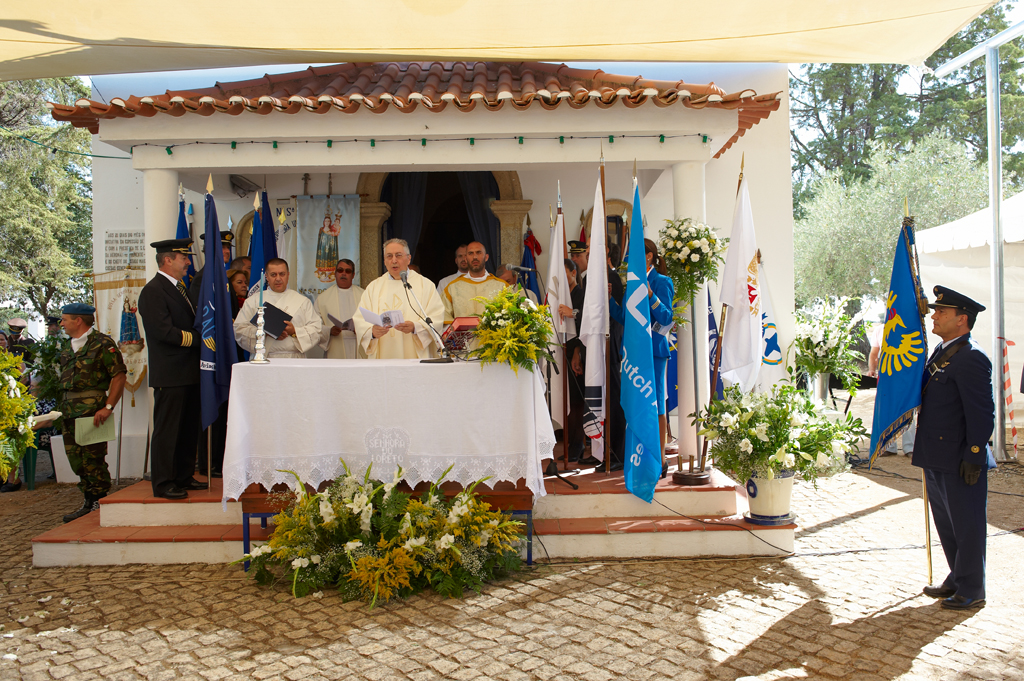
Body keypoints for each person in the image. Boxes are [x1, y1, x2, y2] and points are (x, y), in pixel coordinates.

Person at [916, 285, 994, 611]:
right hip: (936, 454)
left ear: (962, 319)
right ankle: (957, 576)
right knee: (947, 523)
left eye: (941, 312)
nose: (934, 315)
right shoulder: (942, 351)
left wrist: (975, 454)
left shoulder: (972, 358)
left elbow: (982, 412)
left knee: (967, 523)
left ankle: (973, 587)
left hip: (960, 458)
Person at [138, 238, 204, 500]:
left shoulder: (178, 288)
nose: (188, 262)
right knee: (168, 430)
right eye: (183, 257)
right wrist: (198, 339)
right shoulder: (153, 291)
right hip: (170, 372)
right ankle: (164, 482)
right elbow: (162, 331)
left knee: (187, 427)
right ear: (167, 260)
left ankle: (183, 475)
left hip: (187, 370)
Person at [55, 303, 127, 521]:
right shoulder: (68, 347)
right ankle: (88, 501)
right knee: (76, 460)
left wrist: (108, 407)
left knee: (93, 459)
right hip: (69, 412)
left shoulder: (102, 343)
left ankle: (98, 501)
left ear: (78, 320)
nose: (62, 323)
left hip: (92, 411)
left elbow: (119, 376)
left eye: (65, 319)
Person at [610, 239, 675, 474]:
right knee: (637, 403)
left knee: (655, 404)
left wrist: (651, 296)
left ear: (649, 257)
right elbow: (625, 319)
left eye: (637, 255)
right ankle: (640, 457)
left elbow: (667, 318)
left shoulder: (662, 282)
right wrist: (609, 300)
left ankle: (661, 459)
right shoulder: (631, 285)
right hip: (634, 354)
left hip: (655, 354)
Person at [353, 239, 443, 359]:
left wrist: (416, 327)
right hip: (383, 355)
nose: (394, 260)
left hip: (414, 356)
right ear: (384, 261)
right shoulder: (374, 287)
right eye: (389, 256)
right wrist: (372, 332)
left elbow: (436, 317)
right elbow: (360, 319)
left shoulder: (425, 285)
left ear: (409, 258)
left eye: (398, 255)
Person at [235, 258, 322, 359]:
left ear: (288, 275)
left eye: (282, 274)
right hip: (264, 358)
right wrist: (265, 332)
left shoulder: (302, 301)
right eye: (273, 275)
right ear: (266, 276)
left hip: (294, 359)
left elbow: (316, 330)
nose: (278, 278)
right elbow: (239, 330)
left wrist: (294, 331)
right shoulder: (254, 301)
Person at [869, 319, 915, 456]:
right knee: (886, 409)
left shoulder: (909, 327)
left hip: (905, 375)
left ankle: (910, 447)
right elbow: (874, 353)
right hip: (885, 376)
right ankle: (888, 446)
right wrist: (872, 369)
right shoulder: (879, 330)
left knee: (908, 408)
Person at [442, 242, 506, 324]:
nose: (475, 257)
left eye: (479, 253)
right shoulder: (452, 288)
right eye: (470, 253)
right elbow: (443, 316)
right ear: (466, 258)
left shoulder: (502, 286)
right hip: (463, 337)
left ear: (486, 257)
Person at [315, 259, 366, 359]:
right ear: (335, 273)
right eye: (340, 270)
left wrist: (361, 329)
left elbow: (373, 321)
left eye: (347, 271)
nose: (343, 274)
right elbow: (315, 325)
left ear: (353, 275)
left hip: (358, 346)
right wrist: (329, 331)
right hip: (335, 346)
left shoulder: (364, 295)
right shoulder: (323, 299)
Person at [188, 230, 234, 309]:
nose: (227, 251)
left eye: (228, 247)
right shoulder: (202, 278)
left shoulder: (223, 277)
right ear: (210, 250)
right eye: (222, 247)